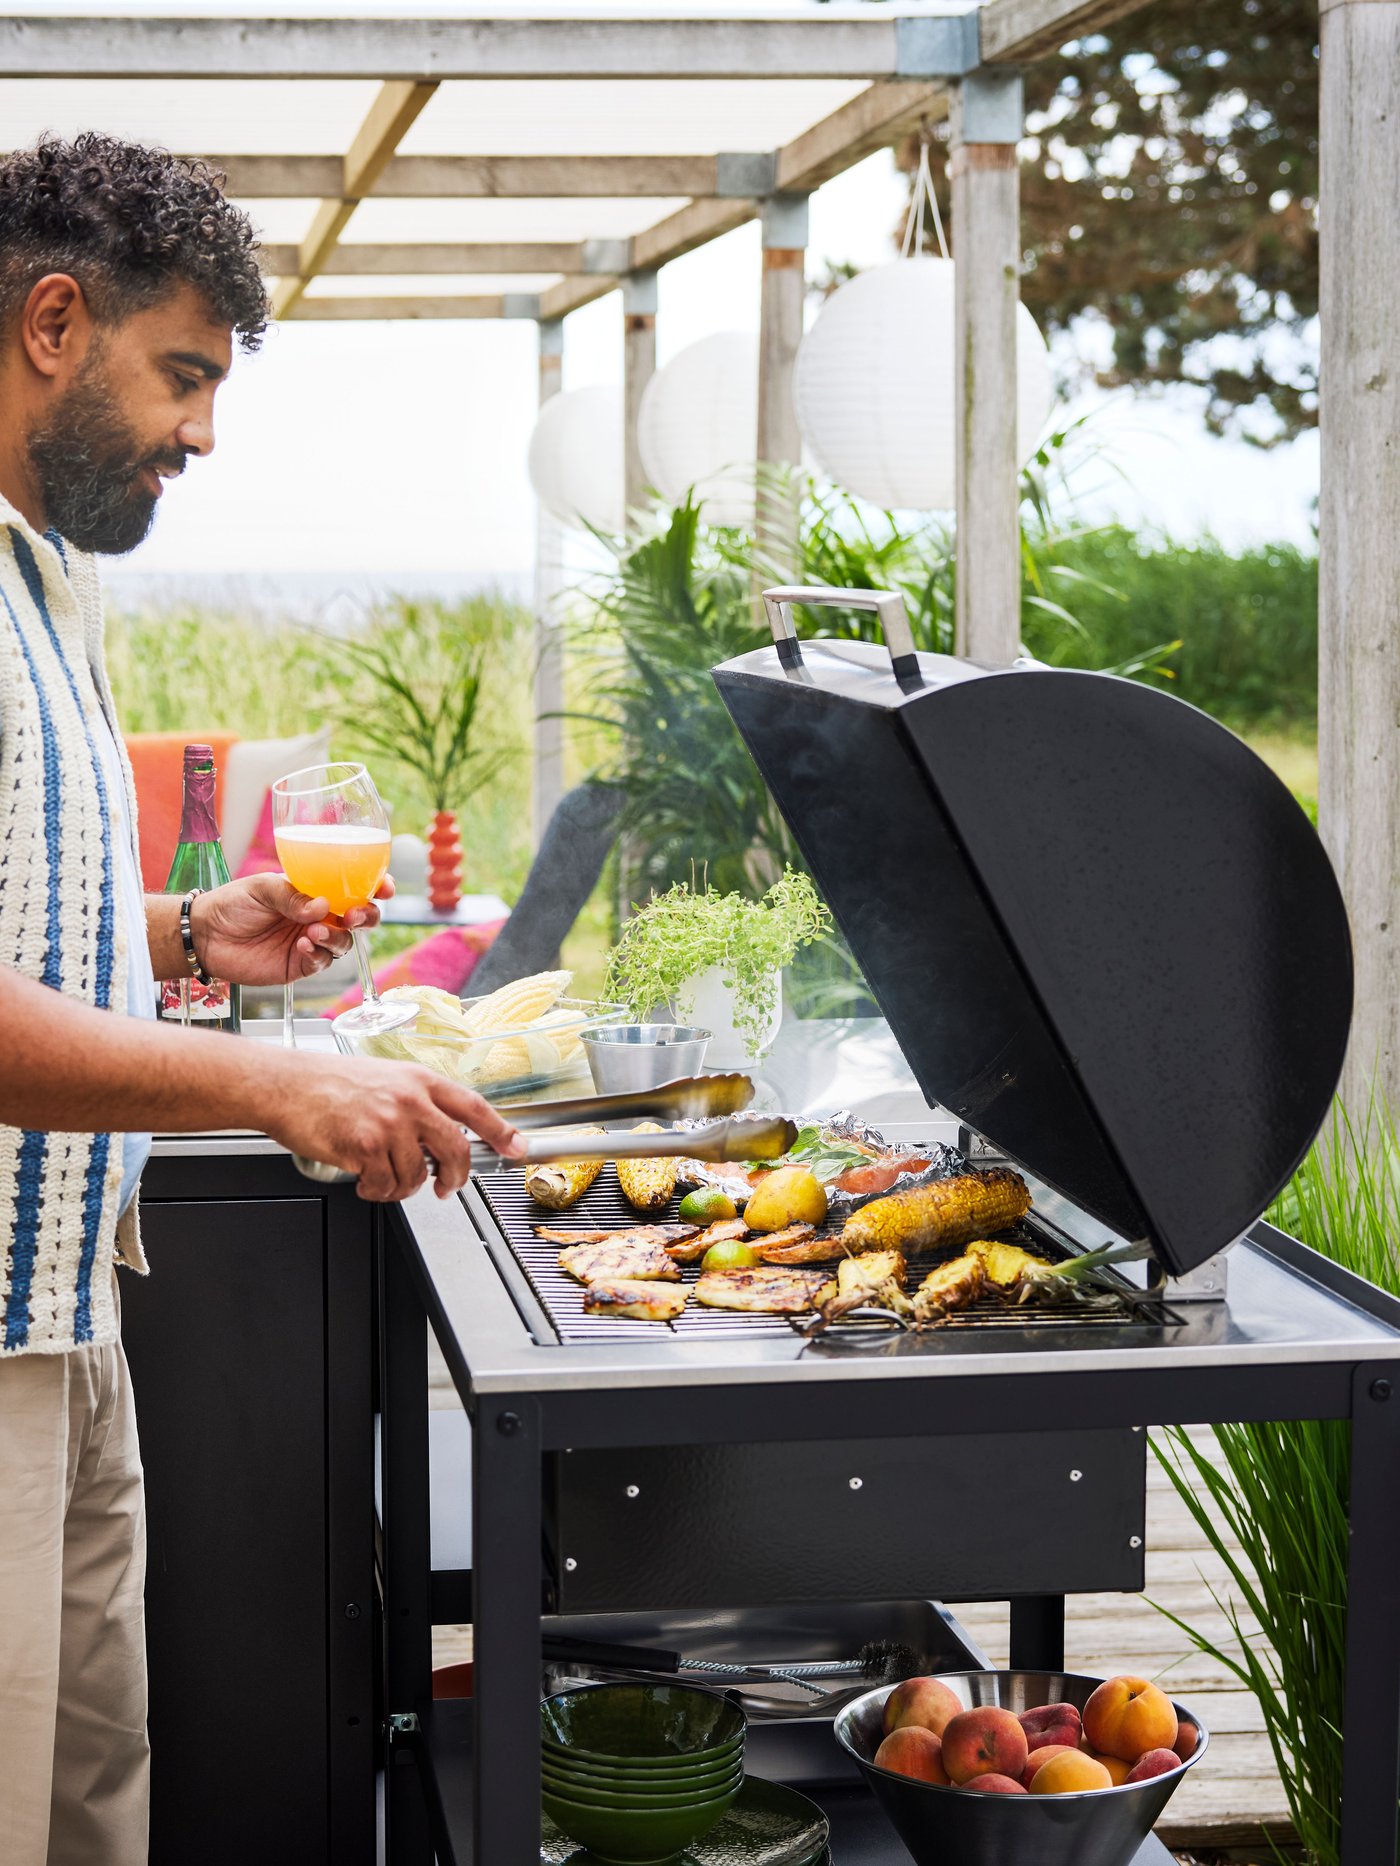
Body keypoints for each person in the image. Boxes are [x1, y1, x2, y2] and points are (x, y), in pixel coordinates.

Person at [0, 133, 523, 1866]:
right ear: (55, 322)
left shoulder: (45, 578)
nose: (205, 433)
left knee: (89, 1808)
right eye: (187, 374)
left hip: (70, 1314)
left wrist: (181, 930)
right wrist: (278, 1087)